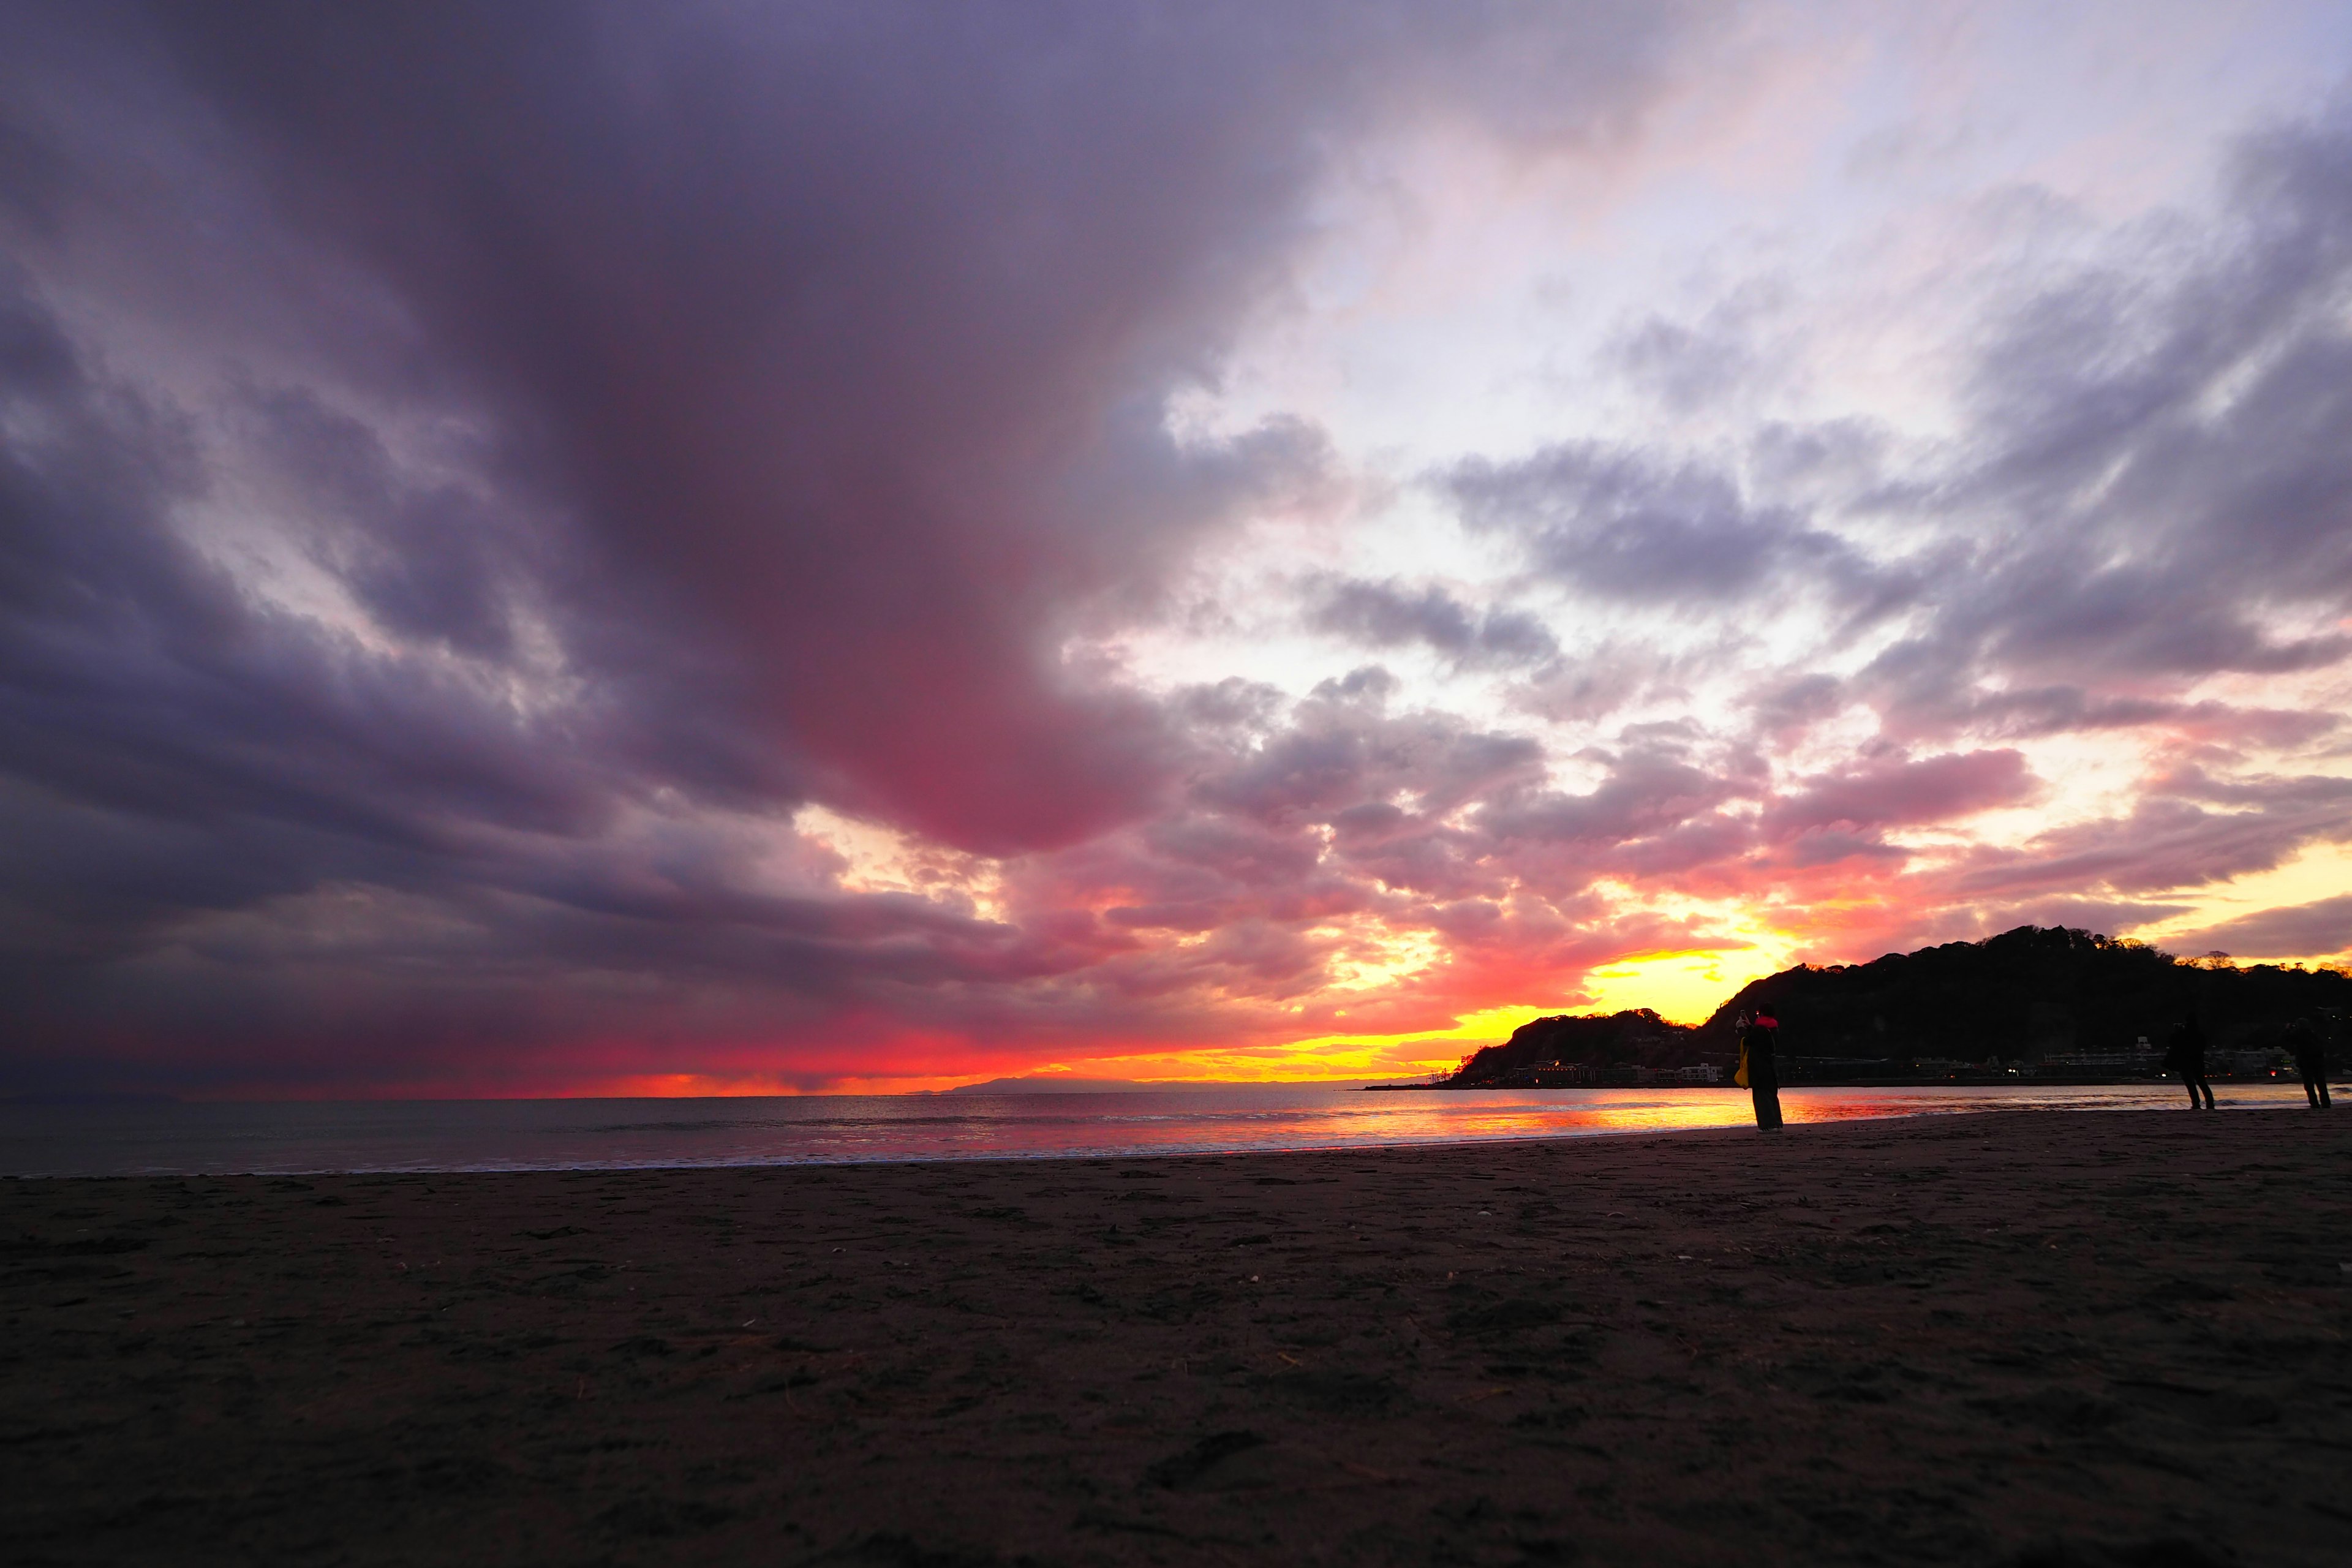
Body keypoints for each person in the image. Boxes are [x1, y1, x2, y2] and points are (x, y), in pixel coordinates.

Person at [2164, 1012, 2214, 1110]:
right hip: (2198, 1061)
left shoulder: (2182, 1034)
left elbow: (2172, 1043)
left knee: (2190, 1084)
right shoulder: (2200, 1034)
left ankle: (2196, 1104)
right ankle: (2210, 1104)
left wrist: (2177, 1032)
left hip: (2185, 1061)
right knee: (2202, 1083)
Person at [1743, 1011, 1782, 1131]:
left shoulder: (1761, 1031)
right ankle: (1777, 1124)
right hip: (1772, 1071)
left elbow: (1747, 1041)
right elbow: (1759, 1037)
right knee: (1772, 1098)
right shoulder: (1774, 1030)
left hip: (1760, 1072)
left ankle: (1768, 1126)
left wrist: (1741, 1029)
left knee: (1762, 1099)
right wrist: (1750, 1027)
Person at [2286, 1016, 2330, 1109]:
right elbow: (2324, 1044)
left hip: (2305, 1062)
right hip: (2318, 1061)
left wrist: (2287, 1029)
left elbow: (2285, 1039)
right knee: (2321, 1084)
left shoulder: (2297, 1034)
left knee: (2309, 1085)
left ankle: (2314, 1103)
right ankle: (2326, 1103)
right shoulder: (2313, 1033)